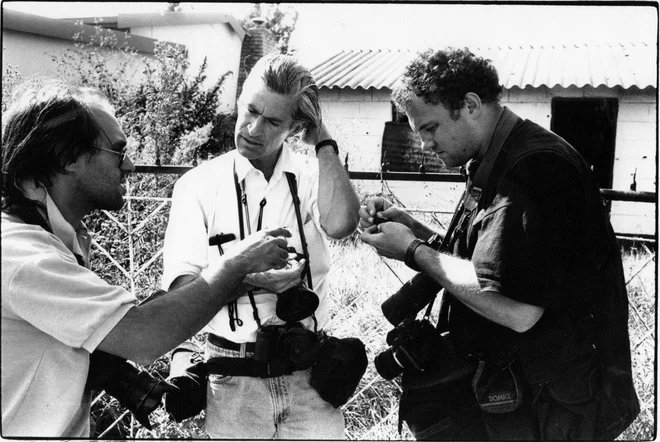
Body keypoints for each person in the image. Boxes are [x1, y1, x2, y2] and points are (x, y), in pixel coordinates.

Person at [360, 47, 639, 440]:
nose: (424, 144)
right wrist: (413, 229)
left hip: (547, 411)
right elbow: (491, 262)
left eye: (430, 128)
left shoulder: (534, 169)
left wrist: (413, 251)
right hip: (519, 398)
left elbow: (518, 309)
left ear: (470, 105)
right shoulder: (500, 156)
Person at [1, 81, 294, 438]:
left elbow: (128, 321)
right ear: (67, 158)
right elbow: (144, 335)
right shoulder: (27, 258)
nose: (129, 165)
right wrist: (236, 262)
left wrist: (240, 282)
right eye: (117, 150)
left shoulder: (47, 242)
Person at [161, 53, 360, 439]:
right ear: (239, 101)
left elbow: (340, 224)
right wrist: (255, 280)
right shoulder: (198, 185)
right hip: (233, 380)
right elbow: (184, 293)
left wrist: (324, 141)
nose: (253, 129)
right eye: (250, 110)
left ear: (296, 127)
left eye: (272, 121)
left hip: (309, 375)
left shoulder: (308, 175)